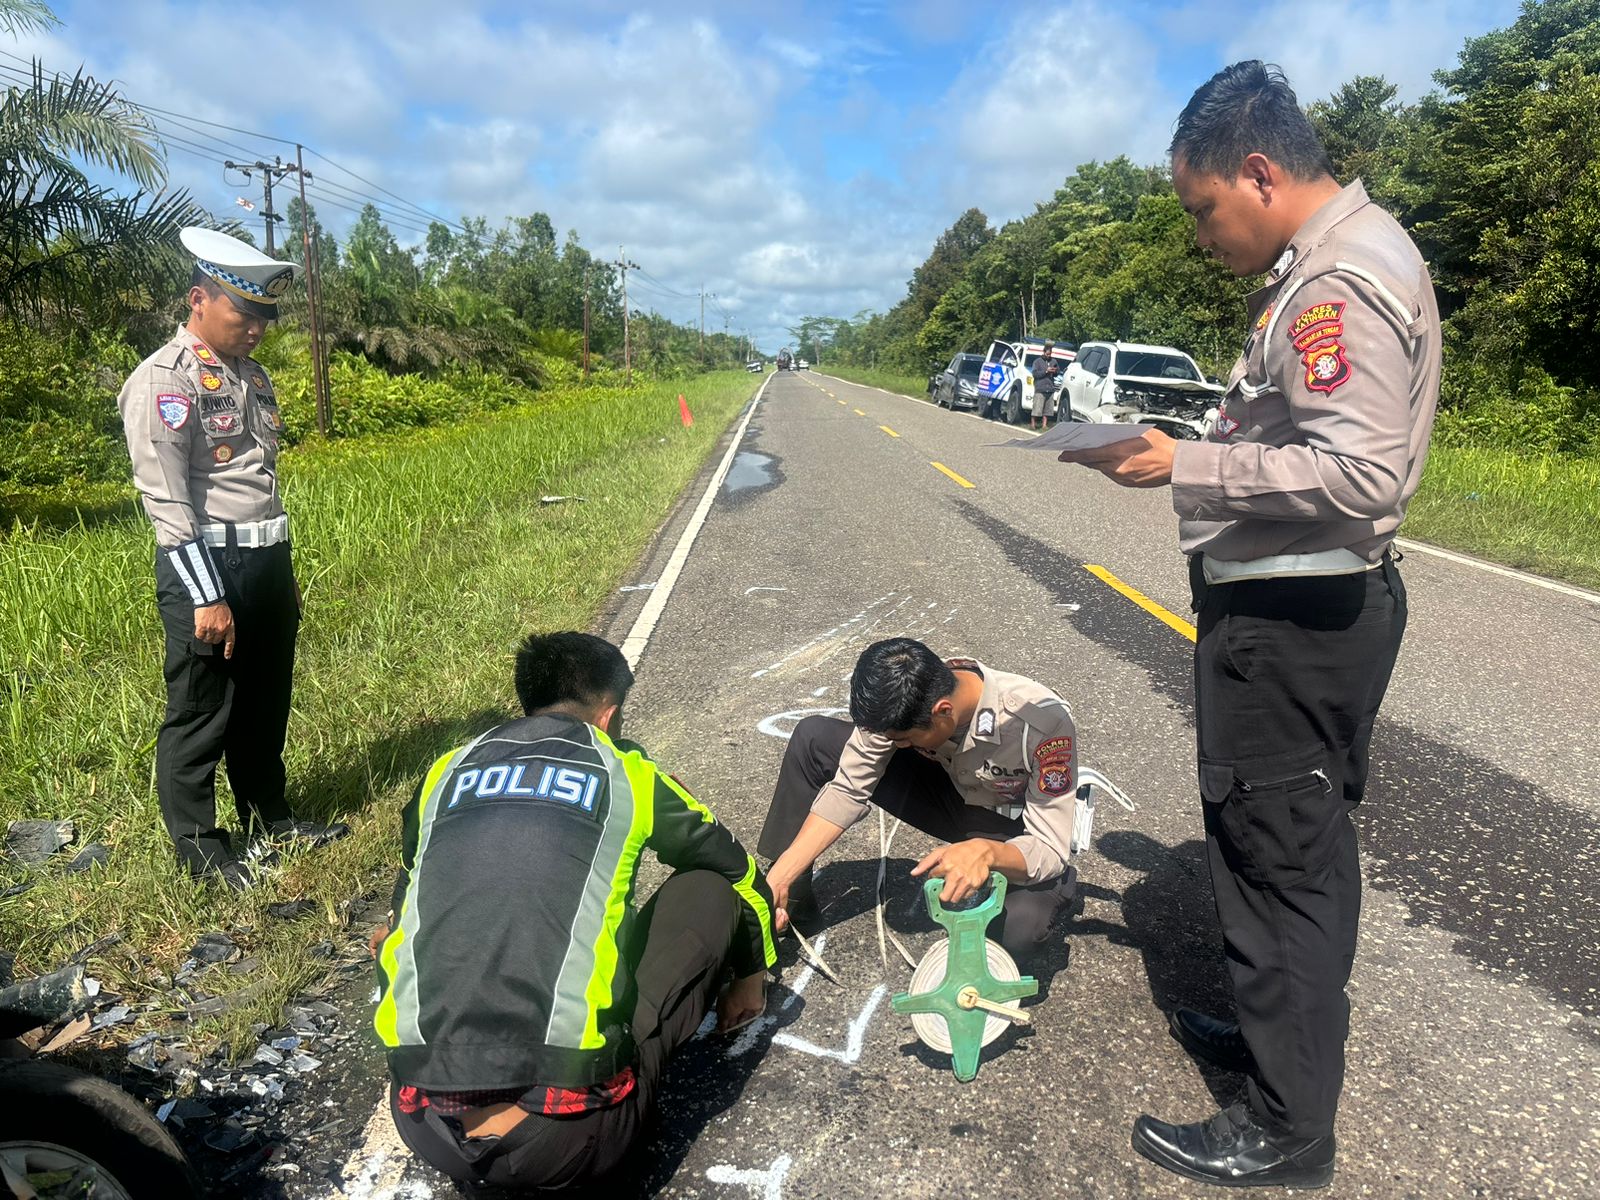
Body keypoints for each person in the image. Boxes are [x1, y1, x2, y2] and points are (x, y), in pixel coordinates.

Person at [1058, 61, 1438, 1189]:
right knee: (1285, 844)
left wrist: (1185, 464)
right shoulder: (1337, 260)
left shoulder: (1335, 284)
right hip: (1294, 610)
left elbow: (1360, 474)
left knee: (1280, 858)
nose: (1199, 235)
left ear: (1259, 173)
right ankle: (1282, 1044)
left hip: (1293, 618)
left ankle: (1285, 1127)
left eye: (1202, 208)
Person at [372, 632, 777, 1192]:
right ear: (608, 715)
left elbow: (401, 915)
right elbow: (740, 873)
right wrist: (751, 974)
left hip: (425, 1125)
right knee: (710, 886)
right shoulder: (626, 773)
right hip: (569, 1141)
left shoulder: (444, 772)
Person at [117, 227, 347, 889]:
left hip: (265, 561)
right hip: (208, 568)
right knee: (201, 712)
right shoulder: (165, 379)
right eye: (244, 314)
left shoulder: (252, 376)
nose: (257, 329)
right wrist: (207, 595)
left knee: (264, 703)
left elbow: (261, 483)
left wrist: (284, 572)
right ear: (199, 300)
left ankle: (270, 817)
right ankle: (201, 851)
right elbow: (166, 498)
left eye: (264, 318)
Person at [759, 638, 1080, 963]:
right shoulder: (899, 697)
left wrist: (987, 852)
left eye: (903, 739)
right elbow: (848, 787)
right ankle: (787, 900)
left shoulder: (1041, 723)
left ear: (943, 712)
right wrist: (784, 872)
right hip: (950, 796)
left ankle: (1056, 886)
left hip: (1010, 829)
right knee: (813, 738)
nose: (897, 744)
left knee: (1019, 928)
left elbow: (1049, 846)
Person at [1031, 341, 1062, 431]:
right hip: (1040, 388)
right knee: (1037, 409)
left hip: (1050, 388)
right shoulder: (1037, 362)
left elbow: (1058, 372)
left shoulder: (1054, 361)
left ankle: (1044, 425)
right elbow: (1035, 374)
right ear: (1044, 352)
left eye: (1050, 354)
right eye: (1047, 354)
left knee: (1048, 410)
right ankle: (1033, 424)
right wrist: (1046, 371)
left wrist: (1055, 371)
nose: (1049, 356)